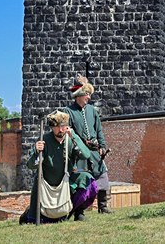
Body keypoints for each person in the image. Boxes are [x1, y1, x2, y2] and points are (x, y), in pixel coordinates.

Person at [19, 111, 96, 224]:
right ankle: (28, 213)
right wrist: (36, 151)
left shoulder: (71, 140)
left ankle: (78, 212)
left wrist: (74, 136)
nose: (61, 130)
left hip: (66, 182)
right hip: (46, 184)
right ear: (52, 127)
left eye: (63, 126)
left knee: (88, 180)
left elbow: (86, 155)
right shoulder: (44, 140)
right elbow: (31, 165)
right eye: (57, 127)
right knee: (43, 220)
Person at [64, 75, 113, 214]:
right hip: (79, 152)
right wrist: (80, 143)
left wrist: (102, 146)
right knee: (82, 182)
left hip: (94, 150)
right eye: (87, 94)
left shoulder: (92, 110)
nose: (89, 97)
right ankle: (80, 212)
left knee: (102, 175)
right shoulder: (69, 111)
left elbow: (98, 129)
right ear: (79, 95)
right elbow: (69, 133)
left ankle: (103, 207)